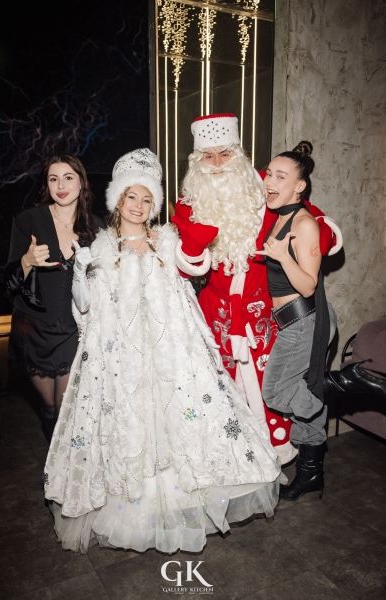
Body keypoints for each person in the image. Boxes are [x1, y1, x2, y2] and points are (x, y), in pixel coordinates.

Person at [43, 148, 281, 554]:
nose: (138, 205)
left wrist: (198, 238)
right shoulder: (101, 248)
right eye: (131, 197)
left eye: (146, 198)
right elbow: (84, 308)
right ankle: (136, 509)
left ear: (154, 204)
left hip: (171, 353)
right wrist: (81, 272)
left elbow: (194, 269)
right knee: (132, 428)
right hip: (124, 362)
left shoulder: (167, 241)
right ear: (118, 200)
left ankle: (182, 500)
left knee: (182, 424)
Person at [172, 113, 342, 465]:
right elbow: (183, 265)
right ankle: (236, 459)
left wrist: (319, 234)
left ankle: (279, 453)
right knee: (222, 386)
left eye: (225, 154)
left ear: (238, 155)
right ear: (197, 161)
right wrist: (192, 246)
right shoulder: (189, 203)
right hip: (218, 311)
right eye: (208, 156)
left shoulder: (260, 189)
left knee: (272, 388)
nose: (218, 164)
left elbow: (307, 215)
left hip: (265, 309)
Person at [257, 141, 336, 501]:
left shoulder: (303, 224)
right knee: (299, 394)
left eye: (281, 177)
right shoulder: (279, 216)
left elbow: (307, 284)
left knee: (275, 392)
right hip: (292, 322)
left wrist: (282, 257)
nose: (270, 182)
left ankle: (338, 388)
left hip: (305, 322)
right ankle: (310, 474)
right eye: (269, 174)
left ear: (300, 185)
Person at [5, 154, 104, 441]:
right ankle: (49, 435)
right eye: (53, 179)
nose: (61, 185)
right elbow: (10, 283)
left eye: (68, 177)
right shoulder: (28, 221)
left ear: (81, 182)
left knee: (64, 409)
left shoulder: (96, 227)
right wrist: (27, 261)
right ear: (46, 185)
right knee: (48, 406)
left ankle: (59, 461)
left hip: (73, 329)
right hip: (34, 328)